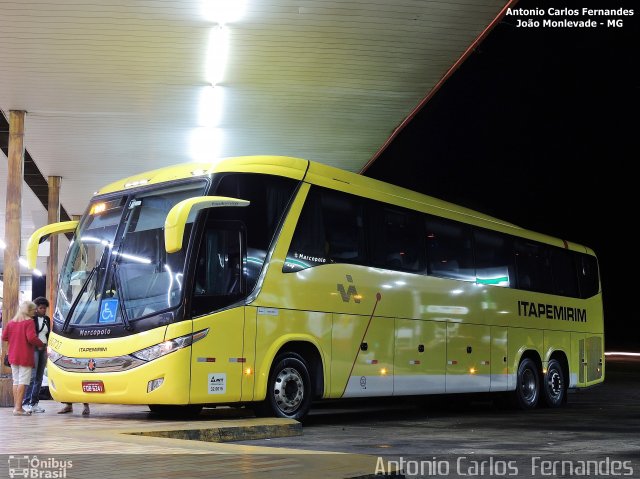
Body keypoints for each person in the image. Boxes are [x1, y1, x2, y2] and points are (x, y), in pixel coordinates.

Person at [1, 301, 45, 416]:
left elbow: (4, 337)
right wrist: (41, 344)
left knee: (16, 381)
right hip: (24, 355)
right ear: (29, 311)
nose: (35, 312)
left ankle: (16, 407)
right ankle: (18, 408)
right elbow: (31, 338)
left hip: (13, 355)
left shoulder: (11, 323)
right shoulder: (29, 322)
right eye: (33, 310)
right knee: (23, 381)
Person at [22, 297, 51, 413]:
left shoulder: (47, 319)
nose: (43, 310)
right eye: (41, 308)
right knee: (33, 377)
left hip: (43, 349)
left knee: (39, 377)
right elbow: (30, 336)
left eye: (45, 308)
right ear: (36, 309)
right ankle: (26, 402)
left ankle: (34, 403)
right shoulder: (31, 320)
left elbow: (48, 333)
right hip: (34, 349)